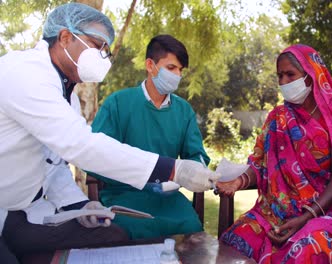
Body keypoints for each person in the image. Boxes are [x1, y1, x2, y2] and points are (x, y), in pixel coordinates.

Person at [0, 3, 218, 263]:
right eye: (96, 45)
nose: (102, 57)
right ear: (65, 37)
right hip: (8, 212)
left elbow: (54, 164)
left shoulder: (64, 94)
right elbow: (82, 146)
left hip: (28, 211)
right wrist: (172, 169)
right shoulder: (24, 73)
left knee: (109, 238)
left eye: (106, 50)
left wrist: (79, 205)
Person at [216, 44, 332, 263]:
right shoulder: (278, 118)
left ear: (311, 75)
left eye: (290, 75)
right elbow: (260, 164)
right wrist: (239, 181)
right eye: (280, 76)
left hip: (322, 214)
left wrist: (306, 217)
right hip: (274, 213)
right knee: (235, 241)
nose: (284, 82)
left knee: (305, 252)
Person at [88, 34, 209, 239]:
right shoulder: (117, 103)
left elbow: (197, 155)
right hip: (124, 198)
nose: (178, 75)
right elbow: (95, 156)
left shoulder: (184, 111)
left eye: (181, 70)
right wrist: (140, 179)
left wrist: (193, 172)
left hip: (169, 200)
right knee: (125, 234)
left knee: (192, 228)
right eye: (171, 68)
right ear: (150, 65)